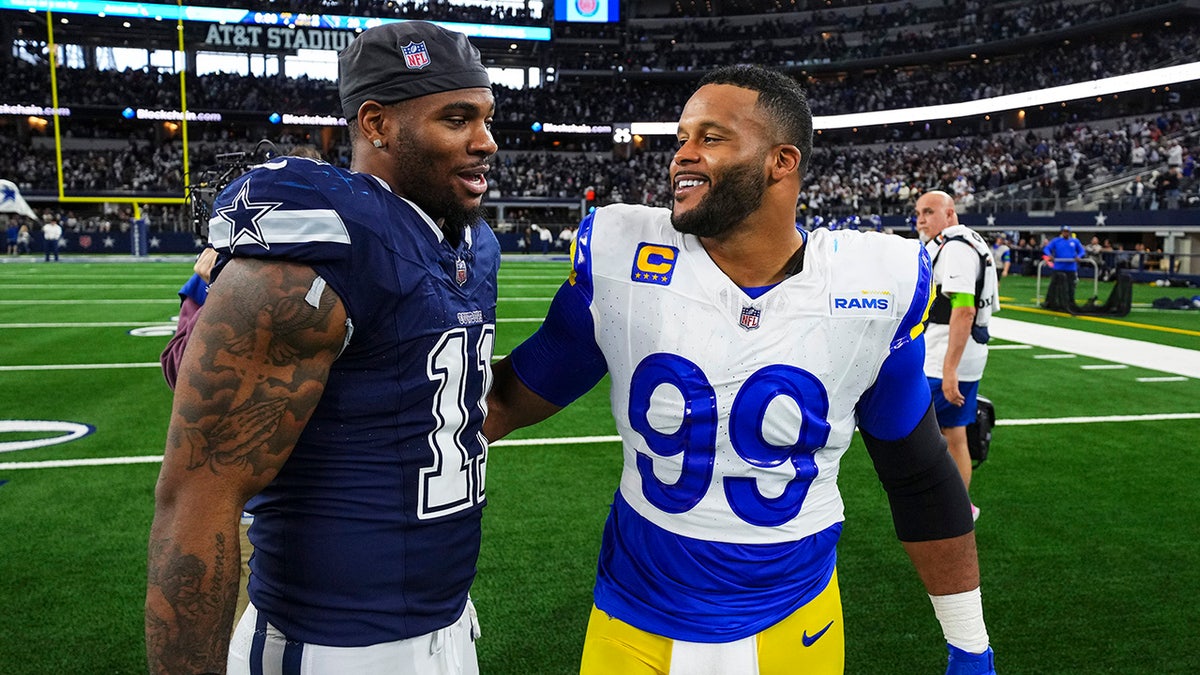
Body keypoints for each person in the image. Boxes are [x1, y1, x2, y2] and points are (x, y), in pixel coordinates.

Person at [485, 65, 995, 675]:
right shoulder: (622, 258)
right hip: (632, 615)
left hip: (793, 620)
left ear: (782, 161)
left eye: (711, 137)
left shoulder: (870, 286)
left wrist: (969, 643)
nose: (683, 157)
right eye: (680, 139)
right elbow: (510, 398)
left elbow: (916, 476)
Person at [146, 20, 499, 675]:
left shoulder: (472, 245)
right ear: (377, 124)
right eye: (458, 119)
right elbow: (197, 492)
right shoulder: (322, 237)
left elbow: (455, 413)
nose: (487, 141)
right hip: (331, 648)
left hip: (450, 625)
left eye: (485, 117)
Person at [914, 191, 1000, 523]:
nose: (921, 219)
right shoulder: (962, 243)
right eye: (918, 212)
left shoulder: (955, 248)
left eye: (929, 211)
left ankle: (947, 506)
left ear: (950, 214)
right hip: (959, 356)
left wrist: (949, 370)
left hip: (944, 359)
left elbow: (963, 310)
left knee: (926, 435)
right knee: (954, 434)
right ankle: (959, 508)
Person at [1042, 225, 1087, 298]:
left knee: (1071, 286)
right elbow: (1046, 249)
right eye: (1064, 232)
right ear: (1062, 232)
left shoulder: (1075, 241)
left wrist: (1078, 256)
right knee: (1054, 285)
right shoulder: (1056, 241)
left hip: (1071, 268)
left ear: (1069, 233)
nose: (1066, 233)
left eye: (1067, 232)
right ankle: (1051, 301)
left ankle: (1070, 301)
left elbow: (1082, 251)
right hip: (1058, 267)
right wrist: (1049, 255)